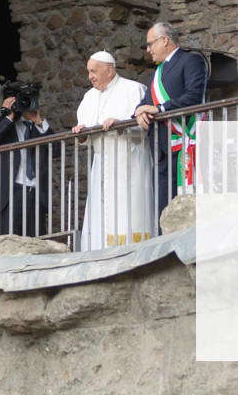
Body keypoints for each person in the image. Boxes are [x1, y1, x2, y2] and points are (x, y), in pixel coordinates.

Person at [72, 51, 153, 250]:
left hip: (129, 162)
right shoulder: (89, 96)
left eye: (93, 71)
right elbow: (87, 139)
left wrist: (122, 125)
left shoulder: (133, 89)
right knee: (101, 215)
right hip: (101, 164)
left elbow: (146, 128)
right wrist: (82, 134)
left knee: (130, 212)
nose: (90, 76)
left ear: (109, 70)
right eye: (88, 72)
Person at [134, 22, 208, 215]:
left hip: (186, 143)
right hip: (162, 148)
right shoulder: (157, 73)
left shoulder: (190, 60)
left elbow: (193, 97)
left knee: (187, 207)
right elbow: (145, 102)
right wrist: (139, 112)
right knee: (164, 210)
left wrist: (160, 108)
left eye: (150, 44)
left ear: (165, 40)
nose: (148, 50)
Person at [0, 94, 52, 237]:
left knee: (36, 243)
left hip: (35, 194)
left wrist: (39, 121)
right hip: (10, 194)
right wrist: (9, 116)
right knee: (8, 242)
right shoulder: (3, 126)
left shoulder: (36, 129)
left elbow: (55, 149)